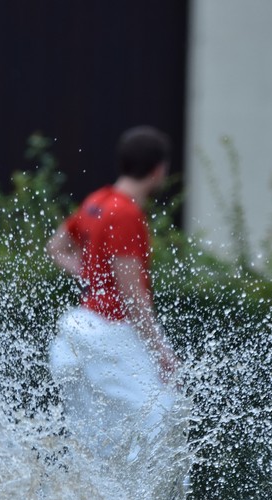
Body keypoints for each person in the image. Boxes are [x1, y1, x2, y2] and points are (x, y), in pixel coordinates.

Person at [45, 125, 180, 464]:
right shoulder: (126, 214)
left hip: (82, 327)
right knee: (162, 417)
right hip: (111, 333)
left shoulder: (97, 201)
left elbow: (56, 246)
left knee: (100, 434)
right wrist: (159, 350)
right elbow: (133, 296)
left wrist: (89, 273)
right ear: (158, 170)